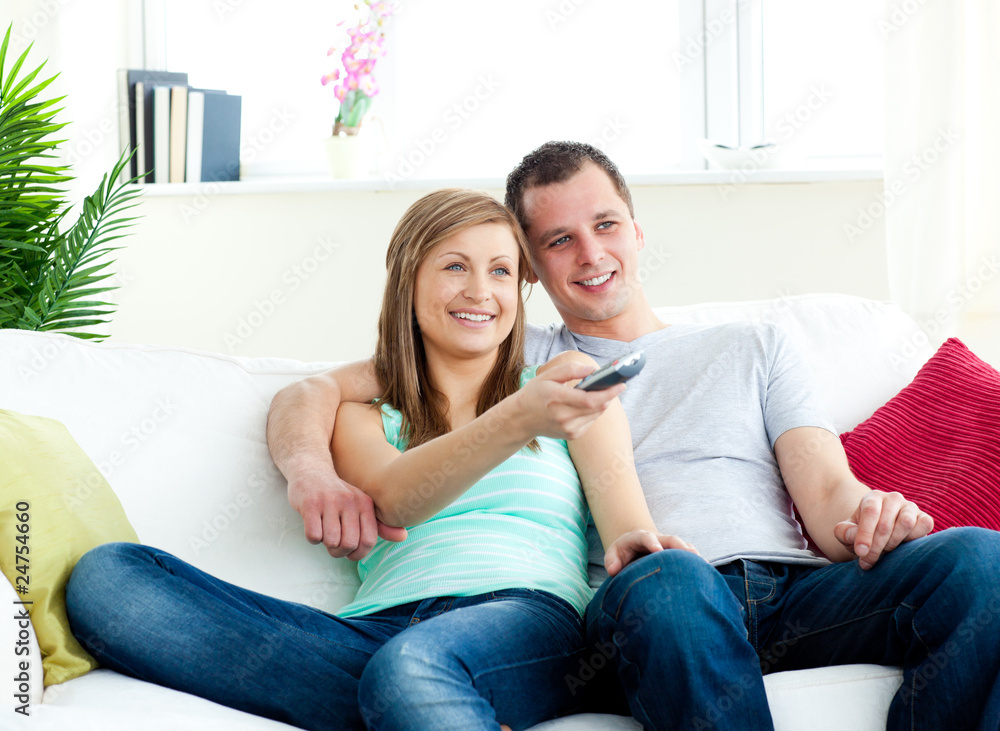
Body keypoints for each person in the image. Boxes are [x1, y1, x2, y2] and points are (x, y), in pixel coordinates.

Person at [267, 143, 1000, 730]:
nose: (590, 253)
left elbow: (829, 493)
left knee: (981, 558)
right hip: (651, 598)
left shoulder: (756, 344)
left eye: (606, 224)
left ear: (637, 230)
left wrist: (873, 515)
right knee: (671, 582)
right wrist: (310, 469)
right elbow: (314, 389)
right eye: (559, 240)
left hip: (790, 594)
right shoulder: (509, 360)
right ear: (528, 270)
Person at [66, 188, 692, 731]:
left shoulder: (559, 397)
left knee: (414, 668)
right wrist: (518, 417)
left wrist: (636, 544)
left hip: (527, 618)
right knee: (109, 580)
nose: (480, 291)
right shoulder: (367, 413)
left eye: (502, 271)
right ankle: (424, 710)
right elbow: (396, 496)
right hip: (372, 631)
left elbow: (626, 528)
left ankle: (420, 696)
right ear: (408, 281)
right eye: (454, 266)